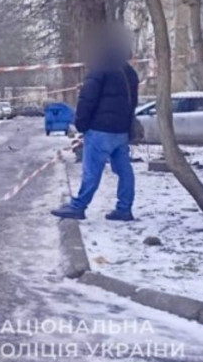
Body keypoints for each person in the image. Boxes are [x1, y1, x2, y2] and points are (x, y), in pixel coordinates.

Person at [52, 26, 139, 221]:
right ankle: (124, 208)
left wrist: (81, 124)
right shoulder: (130, 73)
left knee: (92, 171)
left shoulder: (99, 70)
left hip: (100, 130)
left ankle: (78, 206)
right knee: (124, 171)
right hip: (121, 131)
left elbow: (87, 99)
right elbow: (133, 103)